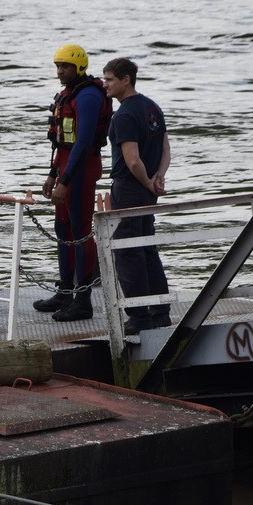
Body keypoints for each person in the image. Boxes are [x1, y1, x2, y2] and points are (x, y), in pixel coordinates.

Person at [34, 44, 112, 322]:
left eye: (65, 66)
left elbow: (83, 142)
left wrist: (66, 180)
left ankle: (83, 300)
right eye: (57, 66)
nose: (60, 71)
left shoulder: (89, 96)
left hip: (81, 169)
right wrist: (53, 174)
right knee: (62, 229)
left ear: (78, 67)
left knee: (79, 233)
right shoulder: (69, 94)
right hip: (66, 165)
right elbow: (62, 144)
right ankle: (65, 292)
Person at [101, 57, 171, 334]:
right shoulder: (152, 107)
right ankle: (160, 311)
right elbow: (166, 148)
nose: (105, 84)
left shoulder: (125, 115)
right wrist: (159, 177)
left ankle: (139, 317)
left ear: (125, 79)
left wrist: (146, 182)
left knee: (127, 252)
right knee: (147, 248)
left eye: (109, 80)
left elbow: (132, 161)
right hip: (148, 186)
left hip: (130, 188)